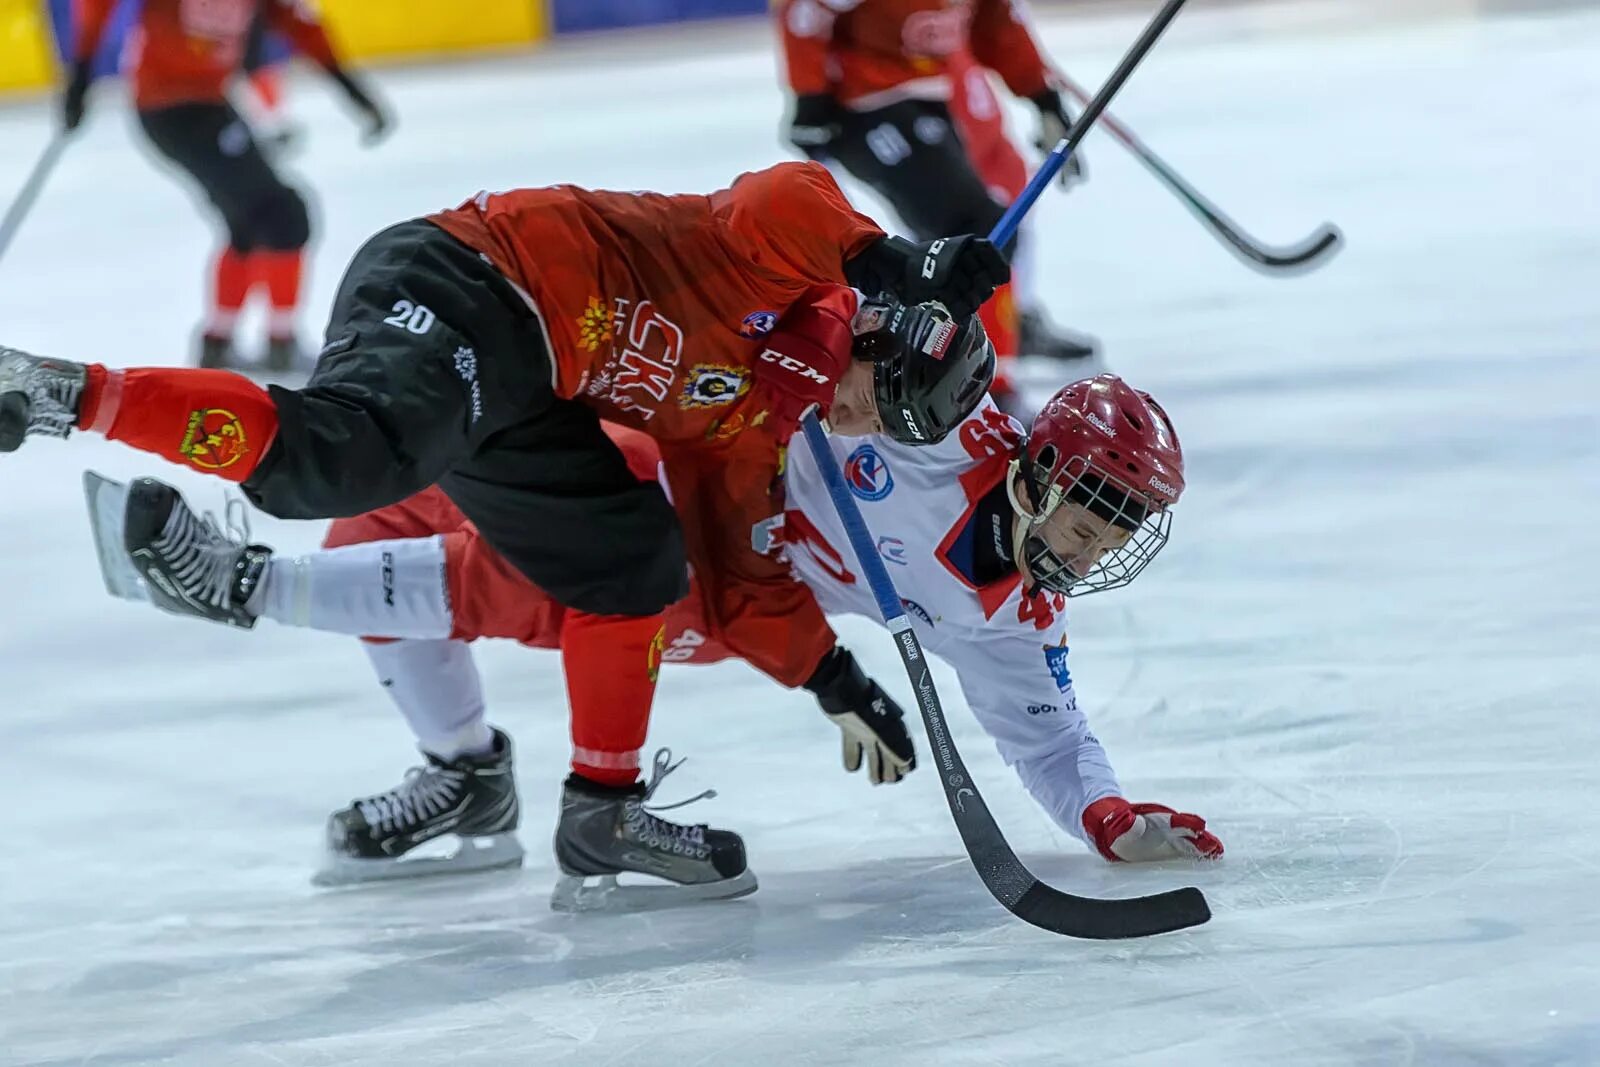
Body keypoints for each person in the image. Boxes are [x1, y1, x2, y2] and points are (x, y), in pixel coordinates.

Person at [2, 159, 1004, 902]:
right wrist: (896, 259)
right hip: (480, 281)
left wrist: (830, 674)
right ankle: (67, 393)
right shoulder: (785, 263)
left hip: (531, 397)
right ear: (880, 329)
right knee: (343, 456)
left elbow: (738, 561)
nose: (869, 428)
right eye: (891, 402)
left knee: (635, 565)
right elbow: (783, 199)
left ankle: (598, 810)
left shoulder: (751, 420)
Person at [92, 374, 1219, 910]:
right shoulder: (942, 423)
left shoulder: (1011, 614)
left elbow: (1051, 740)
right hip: (681, 454)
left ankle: (244, 583)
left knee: (584, 571)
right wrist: (885, 340)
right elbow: (815, 327)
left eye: (1124, 520)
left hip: (722, 589)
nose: (1097, 536)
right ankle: (465, 772)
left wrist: (1110, 816)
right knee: (387, 517)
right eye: (1095, 501)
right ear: (1036, 463)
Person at [775, 0, 1100, 415]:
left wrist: (1042, 96)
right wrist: (810, 95)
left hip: (932, 95)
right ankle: (970, 383)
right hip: (864, 105)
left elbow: (996, 22)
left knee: (983, 221)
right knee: (973, 231)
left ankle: (950, 364)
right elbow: (807, 11)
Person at [62, 0, 391, 370]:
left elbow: (297, 24)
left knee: (249, 221)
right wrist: (81, 75)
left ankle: (218, 343)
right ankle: (279, 343)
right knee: (284, 216)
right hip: (171, 108)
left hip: (207, 104)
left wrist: (351, 90)